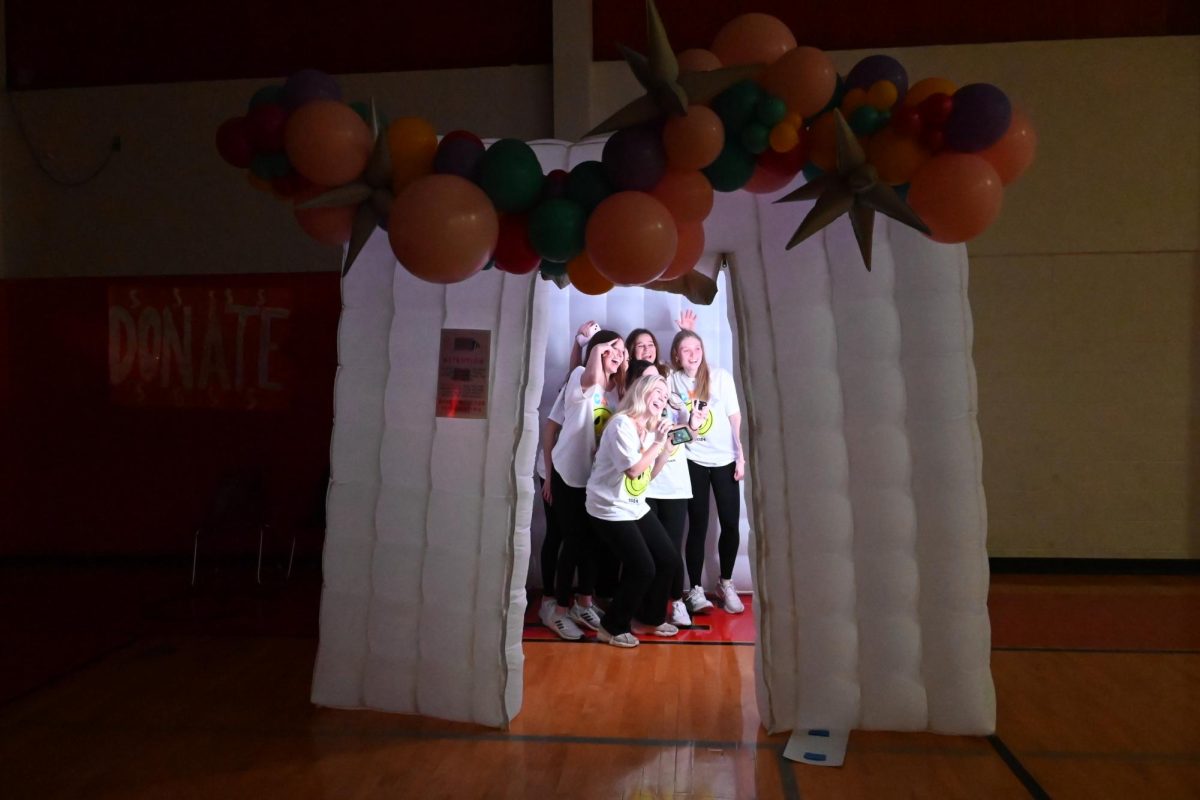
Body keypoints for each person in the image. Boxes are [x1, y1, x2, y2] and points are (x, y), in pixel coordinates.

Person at [586, 372, 684, 648]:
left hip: (633, 504)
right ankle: (611, 627)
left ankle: (651, 617)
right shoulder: (621, 425)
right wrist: (656, 443)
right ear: (643, 393)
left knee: (668, 558)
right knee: (642, 567)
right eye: (658, 393)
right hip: (608, 507)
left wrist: (665, 448)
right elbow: (632, 471)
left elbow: (647, 477)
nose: (663, 399)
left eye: (665, 396)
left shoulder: (651, 428)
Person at [544, 329, 627, 639]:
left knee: (593, 543)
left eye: (622, 349)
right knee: (574, 542)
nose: (618, 353)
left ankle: (583, 602)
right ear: (598, 350)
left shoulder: (617, 390)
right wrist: (597, 347)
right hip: (569, 473)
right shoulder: (582, 374)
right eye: (612, 348)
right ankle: (559, 610)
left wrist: (619, 358)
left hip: (595, 479)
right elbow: (590, 377)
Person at [624, 355, 704, 629]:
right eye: (650, 383)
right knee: (647, 555)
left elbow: (679, 436)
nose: (658, 390)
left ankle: (666, 607)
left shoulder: (667, 410)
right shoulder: (629, 419)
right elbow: (637, 466)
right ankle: (641, 610)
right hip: (642, 492)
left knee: (669, 553)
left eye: (660, 383)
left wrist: (692, 425)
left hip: (674, 490)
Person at [669, 330, 746, 615]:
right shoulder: (672, 379)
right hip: (693, 459)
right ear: (677, 354)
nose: (693, 354)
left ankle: (725, 583)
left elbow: (734, 417)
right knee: (698, 525)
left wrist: (741, 455)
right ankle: (696, 589)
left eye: (697, 348)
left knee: (730, 523)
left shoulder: (721, 377)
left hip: (724, 459)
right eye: (686, 349)